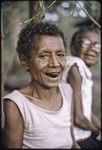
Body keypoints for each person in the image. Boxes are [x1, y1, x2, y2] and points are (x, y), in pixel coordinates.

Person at [2, 21, 79, 149]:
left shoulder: (67, 91)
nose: (55, 63)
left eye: (60, 55)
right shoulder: (17, 104)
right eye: (44, 56)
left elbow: (71, 142)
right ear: (25, 61)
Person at [61, 25, 101, 148]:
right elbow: (78, 118)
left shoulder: (80, 68)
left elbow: (86, 112)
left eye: (98, 45)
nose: (92, 48)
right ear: (74, 47)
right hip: (76, 139)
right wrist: (97, 131)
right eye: (86, 43)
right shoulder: (75, 66)